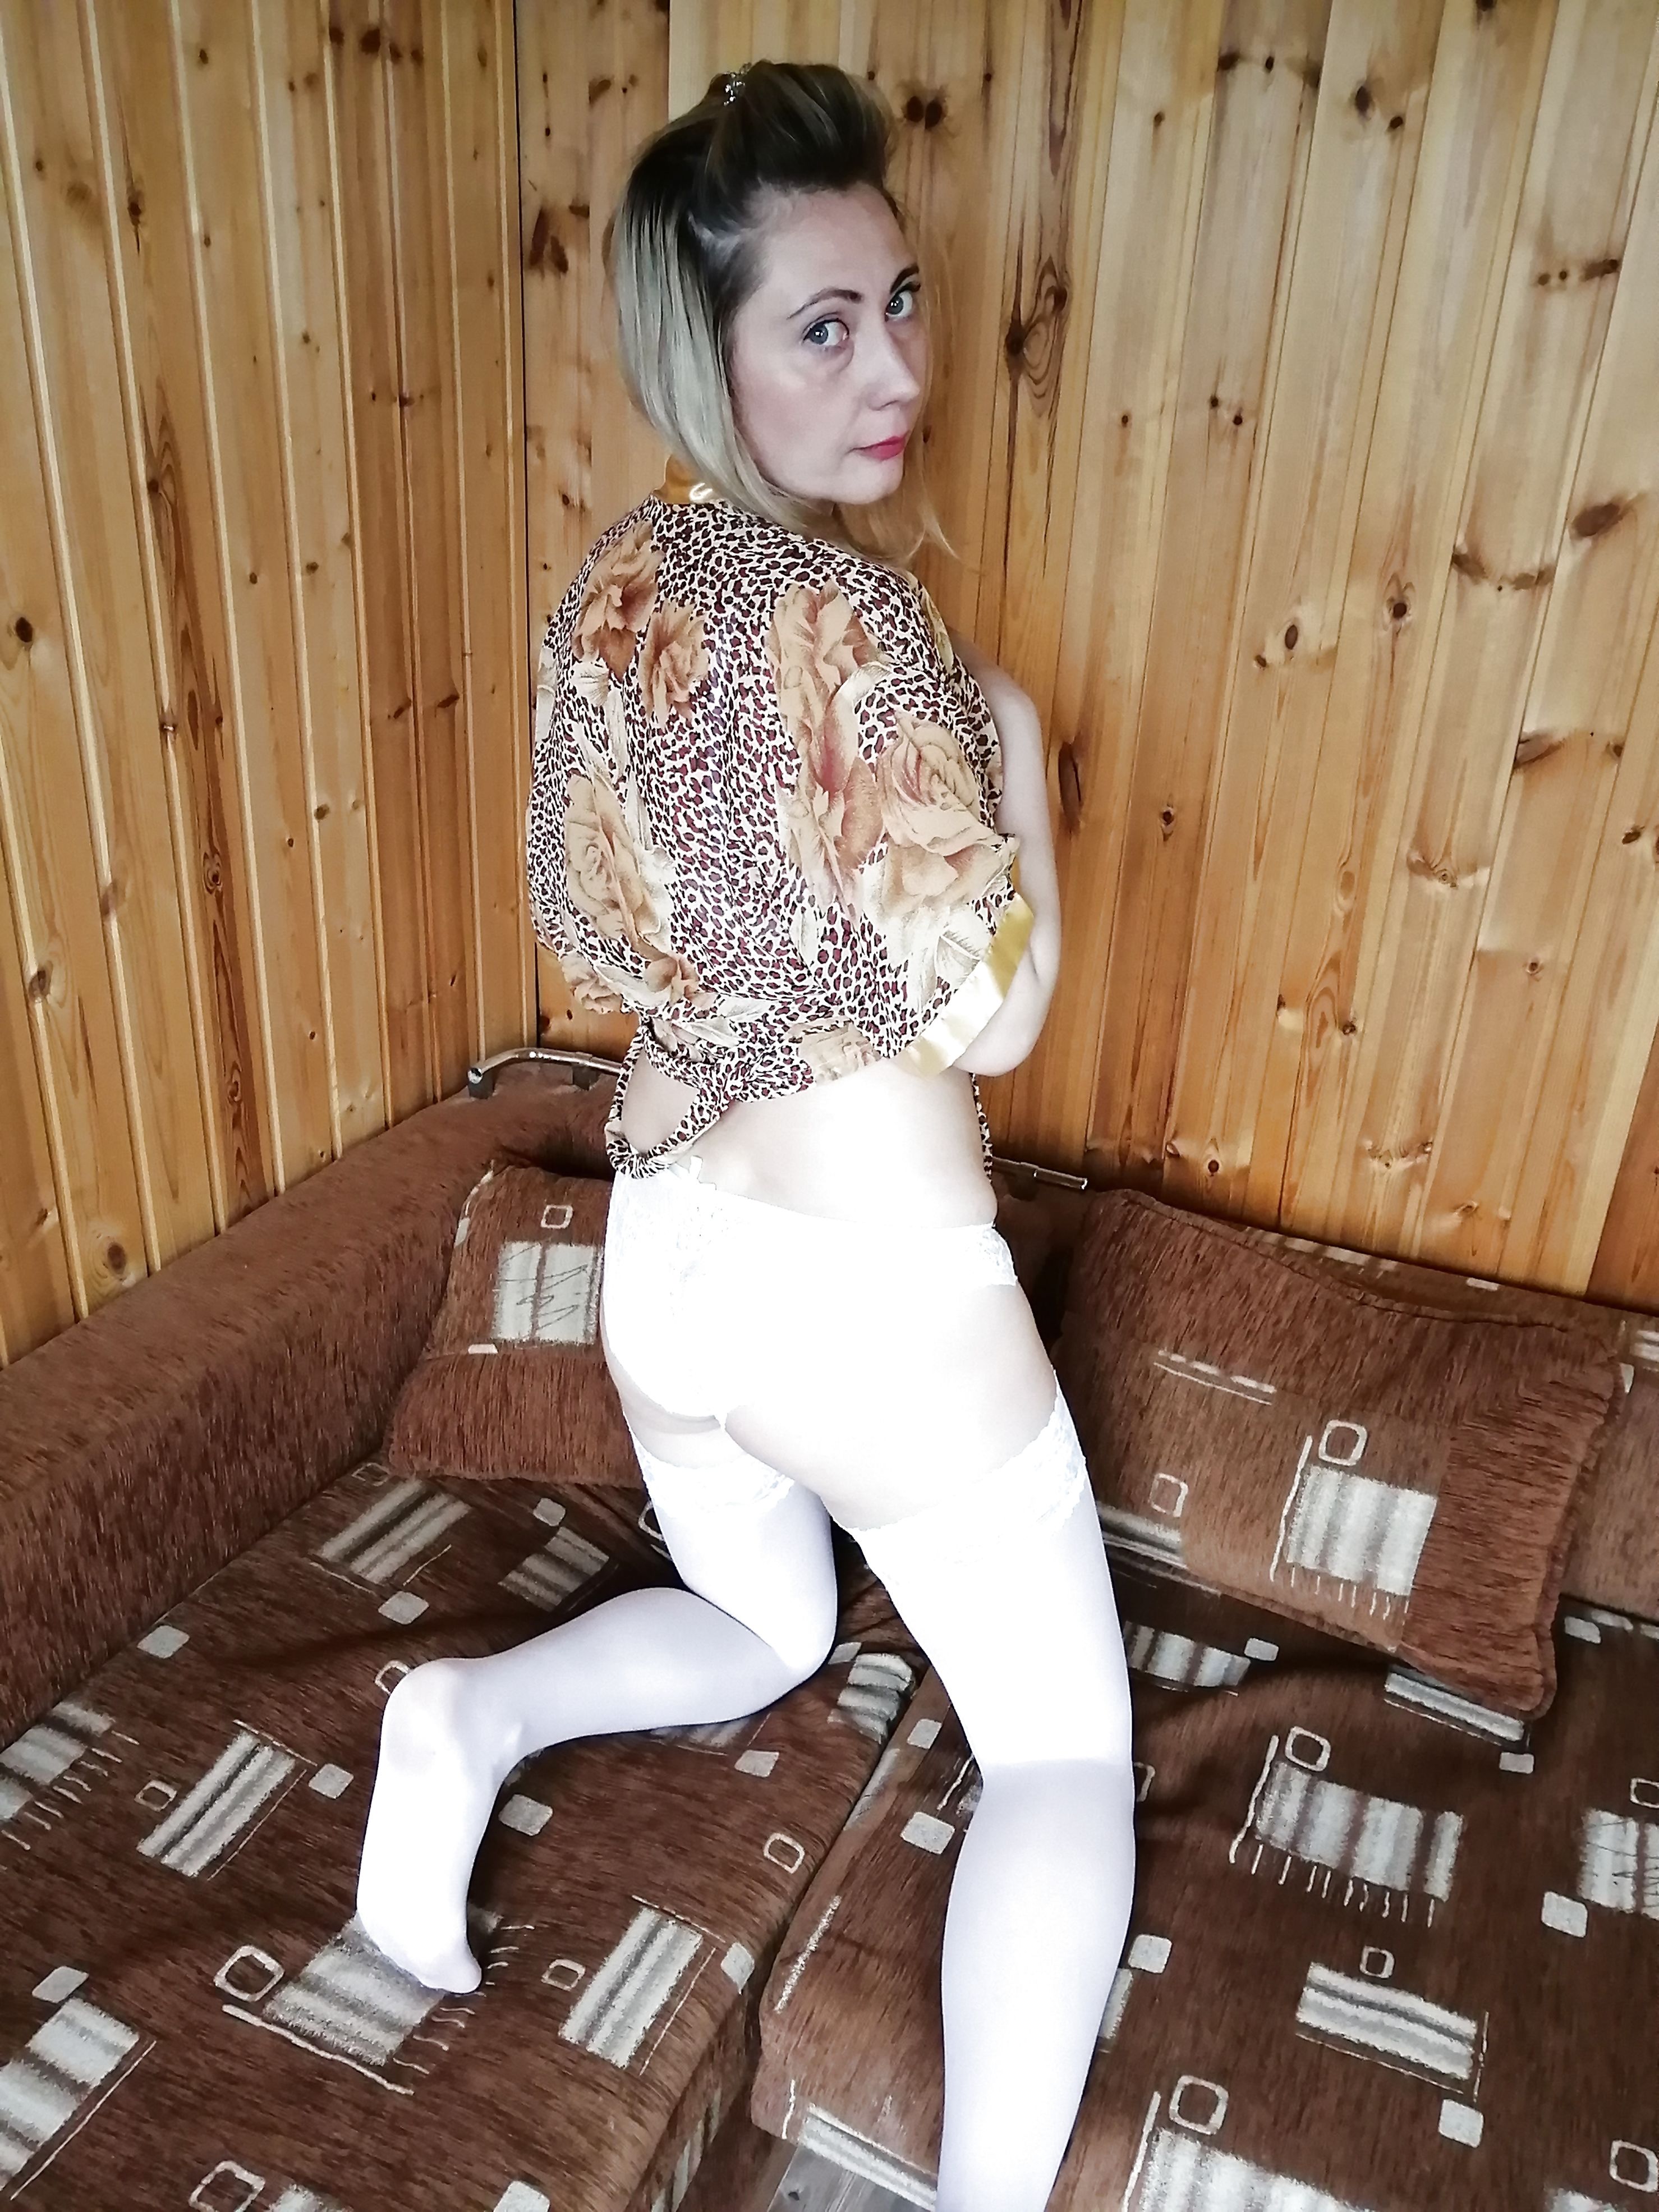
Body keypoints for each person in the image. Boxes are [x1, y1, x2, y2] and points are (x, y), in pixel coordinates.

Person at [355, 58, 1136, 2212]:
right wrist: (1019, 749)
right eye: (825, 326)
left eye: (903, 303)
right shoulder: (869, 629)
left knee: (768, 1622)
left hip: (672, 1261)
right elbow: (997, 1012)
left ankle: (465, 1719)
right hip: (869, 1296)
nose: (896, 370)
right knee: (1064, 1751)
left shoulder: (607, 597)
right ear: (709, 356)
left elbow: (588, 913)